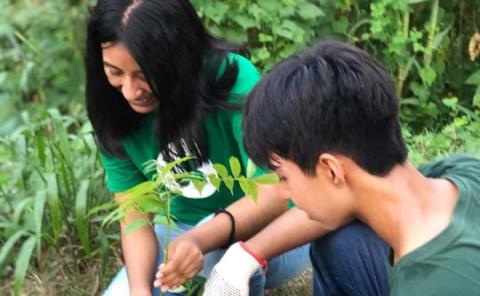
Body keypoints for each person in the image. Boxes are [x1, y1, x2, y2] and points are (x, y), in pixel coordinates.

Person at [84, 0, 311, 295]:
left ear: (177, 58)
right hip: (182, 232)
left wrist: (199, 240)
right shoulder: (111, 110)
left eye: (143, 74)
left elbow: (275, 194)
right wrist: (139, 290)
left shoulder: (231, 78)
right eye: (115, 72)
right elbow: (134, 215)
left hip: (274, 233)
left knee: (218, 258)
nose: (130, 90)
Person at [228, 40, 480, 295]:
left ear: (332, 170)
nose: (286, 193)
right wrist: (245, 256)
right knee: (341, 244)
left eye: (284, 178)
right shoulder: (461, 172)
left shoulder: (428, 287)